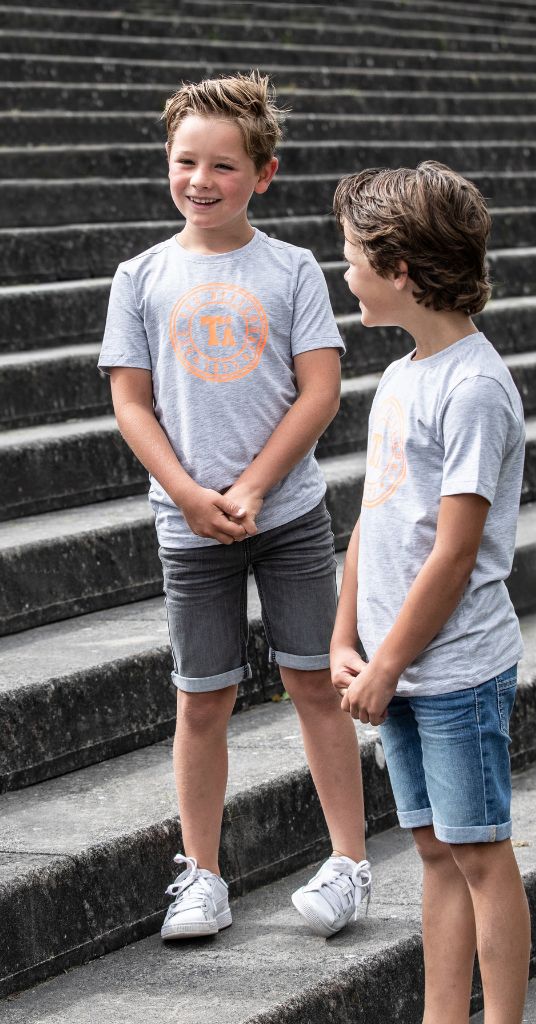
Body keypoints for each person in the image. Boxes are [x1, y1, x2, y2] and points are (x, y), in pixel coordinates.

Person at [98, 72, 370, 942]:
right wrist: (188, 493)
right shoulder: (139, 276)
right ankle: (202, 875)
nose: (201, 180)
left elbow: (320, 391)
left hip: (285, 517)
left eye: (223, 164)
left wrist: (253, 487)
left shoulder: (290, 268)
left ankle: (349, 862)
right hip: (188, 525)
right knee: (200, 700)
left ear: (264, 173)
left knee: (313, 685)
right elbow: (131, 403)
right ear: (167, 162)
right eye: (186, 161)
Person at [330, 162, 531, 1023]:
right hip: (397, 668)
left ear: (401, 269)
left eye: (353, 257)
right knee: (434, 852)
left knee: (480, 852)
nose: (345, 273)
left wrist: (390, 665)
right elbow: (375, 523)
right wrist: (347, 639)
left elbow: (454, 553)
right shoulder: (403, 374)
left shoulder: (474, 386)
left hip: (453, 672)